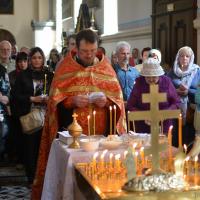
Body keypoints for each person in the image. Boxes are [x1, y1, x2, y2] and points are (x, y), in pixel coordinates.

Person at [31, 29, 126, 199]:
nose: (89, 55)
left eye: (92, 51)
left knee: (100, 180)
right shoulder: (65, 68)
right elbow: (54, 101)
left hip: (101, 138)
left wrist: (107, 102)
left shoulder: (106, 68)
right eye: (84, 51)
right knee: (75, 183)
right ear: (76, 48)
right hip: (74, 139)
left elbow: (117, 100)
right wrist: (71, 101)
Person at [13, 47, 53, 185]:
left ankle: (44, 176)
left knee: (44, 147)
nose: (37, 60)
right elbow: (16, 96)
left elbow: (55, 92)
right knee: (30, 148)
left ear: (43, 59)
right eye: (34, 58)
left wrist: (49, 98)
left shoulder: (49, 74)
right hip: (30, 115)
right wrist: (32, 99)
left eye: (39, 57)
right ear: (30, 60)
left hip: (46, 116)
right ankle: (31, 178)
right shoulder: (23, 75)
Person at [127, 58, 181, 134]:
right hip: (143, 128)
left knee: (164, 145)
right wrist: (144, 115)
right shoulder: (139, 82)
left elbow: (177, 102)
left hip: (164, 127)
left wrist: (165, 113)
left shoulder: (167, 81)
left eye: (154, 76)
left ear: (159, 74)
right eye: (148, 77)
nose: (151, 79)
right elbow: (130, 105)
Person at [168, 46, 200, 125]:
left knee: (189, 134)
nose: (184, 58)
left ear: (191, 58)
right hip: (174, 108)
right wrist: (175, 91)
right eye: (182, 56)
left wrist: (188, 91)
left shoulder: (197, 71)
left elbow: (199, 92)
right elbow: (165, 89)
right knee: (175, 134)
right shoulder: (172, 72)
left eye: (187, 56)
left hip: (191, 110)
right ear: (178, 57)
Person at [0, 64, 10, 160]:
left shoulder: (2, 70)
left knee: (2, 136)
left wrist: (3, 97)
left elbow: (6, 96)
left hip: (1, 112)